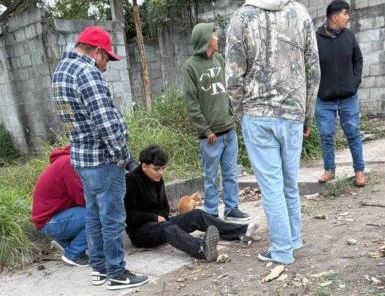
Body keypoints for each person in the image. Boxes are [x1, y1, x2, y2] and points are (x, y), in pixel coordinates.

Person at [51, 26, 148, 291]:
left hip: (82, 158)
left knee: (94, 216)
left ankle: (99, 269)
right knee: (113, 218)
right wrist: (123, 156)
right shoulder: (87, 72)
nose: (106, 66)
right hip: (103, 159)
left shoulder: (62, 70)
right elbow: (105, 122)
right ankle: (116, 273)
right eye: (106, 58)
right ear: (96, 52)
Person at [225, 0, 321, 265]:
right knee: (289, 183)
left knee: (272, 187)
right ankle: (293, 239)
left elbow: (233, 76)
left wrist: (239, 112)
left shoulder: (242, 18)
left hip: (258, 115)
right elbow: (314, 70)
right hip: (292, 114)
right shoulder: (300, 13)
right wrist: (307, 113)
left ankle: (281, 250)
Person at [124, 145, 259, 261]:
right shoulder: (130, 181)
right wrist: (153, 218)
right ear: (144, 166)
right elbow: (128, 216)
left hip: (161, 223)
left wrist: (162, 216)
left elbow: (164, 206)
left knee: (197, 214)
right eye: (157, 169)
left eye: (163, 168)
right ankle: (201, 248)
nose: (161, 172)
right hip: (141, 232)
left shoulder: (157, 178)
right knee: (167, 228)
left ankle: (241, 232)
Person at [182, 23, 250, 221]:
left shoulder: (219, 59)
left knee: (230, 174)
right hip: (210, 136)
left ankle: (231, 209)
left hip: (229, 130)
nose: (217, 38)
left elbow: (229, 90)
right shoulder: (190, 67)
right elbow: (191, 103)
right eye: (214, 35)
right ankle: (211, 212)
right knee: (211, 177)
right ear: (205, 39)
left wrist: (233, 118)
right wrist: (205, 130)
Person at [315, 0, 366, 187]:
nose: (347, 17)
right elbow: (311, 68)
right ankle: (329, 170)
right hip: (324, 99)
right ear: (335, 17)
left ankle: (359, 171)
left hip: (348, 97)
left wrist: (354, 82)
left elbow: (358, 60)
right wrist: (317, 89)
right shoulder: (316, 39)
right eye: (345, 14)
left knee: (353, 134)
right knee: (326, 134)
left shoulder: (349, 36)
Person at [32, 145, 88, 267]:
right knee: (98, 214)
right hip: (50, 222)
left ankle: (67, 245)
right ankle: (74, 254)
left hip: (50, 219)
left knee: (95, 211)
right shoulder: (68, 163)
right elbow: (81, 197)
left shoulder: (63, 161)